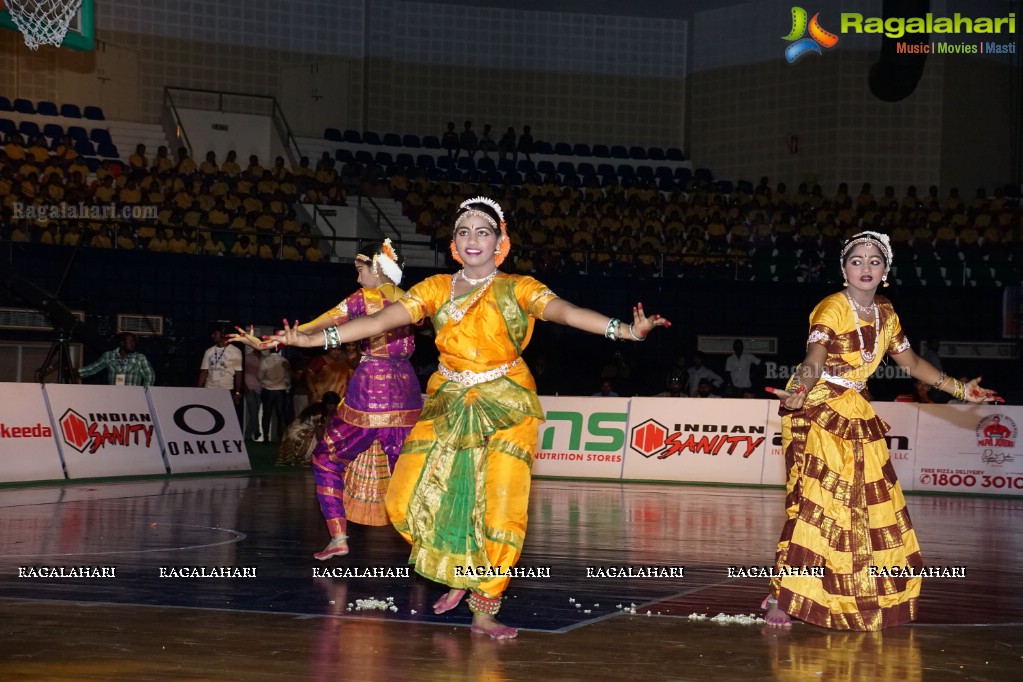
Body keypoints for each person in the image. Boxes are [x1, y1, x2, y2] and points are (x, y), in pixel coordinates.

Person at [262, 197, 670, 639]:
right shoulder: (436, 288)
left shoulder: (518, 288)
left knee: (499, 508)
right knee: (405, 499)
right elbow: (381, 320)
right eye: (463, 231)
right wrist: (311, 339)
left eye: (483, 231)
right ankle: (459, 569)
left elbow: (565, 312)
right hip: (448, 399)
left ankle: (485, 607)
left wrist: (625, 330)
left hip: (506, 403)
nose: (473, 239)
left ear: (500, 241)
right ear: (454, 244)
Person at [764, 231, 1001, 631]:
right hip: (817, 407)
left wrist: (960, 389)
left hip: (856, 409)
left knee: (868, 506)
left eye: (875, 261)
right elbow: (815, 356)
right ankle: (783, 596)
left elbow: (911, 363)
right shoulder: (832, 308)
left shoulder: (887, 313)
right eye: (857, 260)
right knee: (815, 505)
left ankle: (849, 592)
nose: (866, 267)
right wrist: (801, 387)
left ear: (886, 272)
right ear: (844, 269)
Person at [231, 240, 422, 559]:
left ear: (376, 268)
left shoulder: (365, 298)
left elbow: (323, 322)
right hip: (407, 393)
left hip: (370, 391)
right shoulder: (413, 300)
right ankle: (428, 544)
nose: (358, 279)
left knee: (326, 458)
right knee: (408, 472)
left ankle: (338, 536)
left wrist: (272, 341)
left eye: (361, 271)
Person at [277, 391, 341, 466]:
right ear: (328, 405)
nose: (337, 407)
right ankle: (308, 457)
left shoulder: (328, 412)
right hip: (296, 433)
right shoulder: (319, 414)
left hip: (305, 430)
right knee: (316, 437)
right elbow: (319, 436)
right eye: (335, 405)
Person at [76, 332, 155, 386]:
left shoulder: (139, 358)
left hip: (133, 397)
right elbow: (92, 369)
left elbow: (150, 376)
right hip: (114, 396)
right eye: (131, 341)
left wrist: (144, 393)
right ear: (122, 343)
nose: (133, 344)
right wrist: (73, 372)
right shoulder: (108, 356)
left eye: (134, 342)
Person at [198, 326, 244, 417]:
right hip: (210, 389)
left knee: (225, 416)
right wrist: (198, 390)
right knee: (208, 415)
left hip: (226, 389)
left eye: (215, 333)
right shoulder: (209, 351)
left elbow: (238, 373)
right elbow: (204, 371)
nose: (212, 336)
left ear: (223, 334)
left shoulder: (235, 351)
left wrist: (237, 392)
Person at [258, 346, 292, 443]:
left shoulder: (265, 361)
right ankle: (281, 438)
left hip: (268, 389)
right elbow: (288, 376)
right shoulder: (284, 360)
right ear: (279, 350)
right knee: (281, 414)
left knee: (266, 414)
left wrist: (266, 381)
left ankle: (265, 437)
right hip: (281, 390)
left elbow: (260, 376)